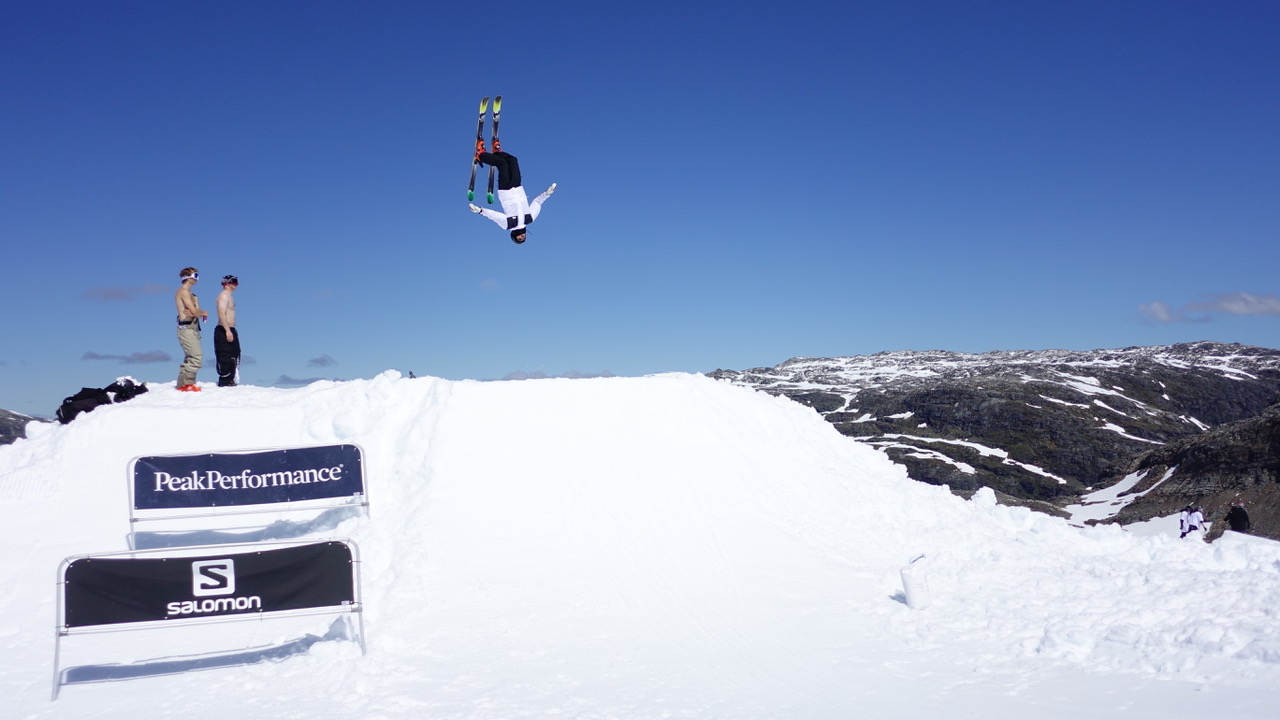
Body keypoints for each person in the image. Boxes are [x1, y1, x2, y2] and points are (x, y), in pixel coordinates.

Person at [468, 149, 556, 243]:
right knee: (513, 160)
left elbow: (494, 215)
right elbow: (538, 202)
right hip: (517, 187)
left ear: (514, 236)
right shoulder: (530, 219)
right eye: (524, 238)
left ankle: (480, 156)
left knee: (502, 164)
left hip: (505, 190)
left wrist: (480, 210)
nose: (522, 237)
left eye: (520, 238)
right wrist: (547, 193)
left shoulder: (508, 225)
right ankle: (497, 152)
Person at [174, 267, 208, 391]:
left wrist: (197, 312)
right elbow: (195, 311)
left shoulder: (193, 295)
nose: (197, 279)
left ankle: (182, 384)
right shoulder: (183, 292)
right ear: (187, 277)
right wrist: (201, 312)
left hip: (193, 328)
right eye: (195, 276)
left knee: (190, 357)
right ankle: (188, 383)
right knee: (196, 356)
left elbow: (196, 313)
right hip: (186, 328)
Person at [215, 274, 240, 387]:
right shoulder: (224, 295)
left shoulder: (230, 296)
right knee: (225, 355)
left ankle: (231, 379)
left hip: (231, 328)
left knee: (235, 354)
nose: (237, 284)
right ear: (228, 283)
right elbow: (221, 313)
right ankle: (225, 380)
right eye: (234, 281)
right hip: (224, 329)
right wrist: (227, 330)